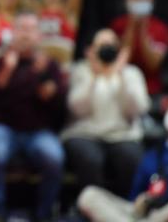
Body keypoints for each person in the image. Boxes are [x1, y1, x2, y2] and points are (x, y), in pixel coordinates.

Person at [78, 95, 168, 222]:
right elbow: (135, 195)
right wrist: (142, 201)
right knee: (89, 195)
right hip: (146, 214)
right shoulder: (154, 152)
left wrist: (165, 200)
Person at [0, 12, 67, 222]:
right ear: (12, 33)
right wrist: (7, 73)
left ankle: (44, 213)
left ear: (39, 36)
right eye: (21, 29)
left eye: (30, 30)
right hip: (4, 128)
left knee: (54, 158)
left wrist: (47, 88)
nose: (25, 35)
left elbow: (59, 104)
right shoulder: (0, 62)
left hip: (38, 131)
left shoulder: (49, 65)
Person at [62, 29, 150, 196]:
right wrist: (95, 77)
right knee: (90, 159)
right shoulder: (80, 70)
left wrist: (120, 74)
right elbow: (76, 108)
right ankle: (90, 210)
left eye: (111, 46)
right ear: (90, 50)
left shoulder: (131, 73)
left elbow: (138, 109)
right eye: (101, 46)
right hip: (84, 134)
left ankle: (123, 210)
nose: (106, 50)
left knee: (131, 158)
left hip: (122, 134)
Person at [110, 0, 168, 95]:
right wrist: (131, 27)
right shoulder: (118, 25)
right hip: (122, 88)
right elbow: (120, 61)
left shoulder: (161, 28)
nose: (139, 2)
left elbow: (153, 64)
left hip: (151, 90)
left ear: (151, 1)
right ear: (127, 1)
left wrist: (143, 30)